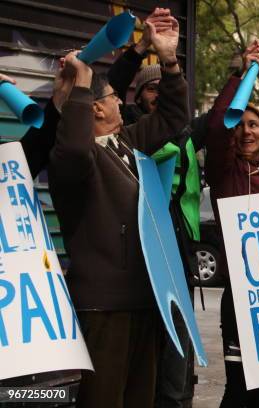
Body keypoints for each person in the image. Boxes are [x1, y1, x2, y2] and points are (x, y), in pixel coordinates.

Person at [47, 13, 187, 407]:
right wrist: (82, 84)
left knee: (139, 397)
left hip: (144, 300)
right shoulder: (75, 159)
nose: (122, 106)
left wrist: (169, 61)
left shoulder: (126, 144)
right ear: (94, 109)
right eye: (113, 99)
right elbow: (73, 147)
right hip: (104, 307)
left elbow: (174, 117)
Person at [106, 10, 203, 406]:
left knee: (177, 365)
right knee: (139, 369)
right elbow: (102, 91)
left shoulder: (179, 128)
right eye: (151, 89)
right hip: (132, 263)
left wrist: (169, 59)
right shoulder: (124, 132)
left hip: (174, 256)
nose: (158, 94)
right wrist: (140, 48)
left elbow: (187, 114)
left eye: (164, 89)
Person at [204, 40, 259, 408]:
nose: (246, 131)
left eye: (254, 124)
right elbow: (216, 124)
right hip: (241, 301)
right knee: (239, 388)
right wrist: (243, 74)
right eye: (240, 125)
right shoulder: (224, 171)